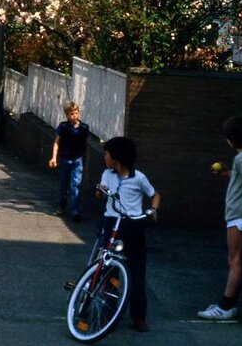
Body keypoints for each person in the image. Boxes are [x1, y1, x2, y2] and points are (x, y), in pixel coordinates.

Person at [198, 115, 242, 321]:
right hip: (241, 214)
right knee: (237, 260)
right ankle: (229, 303)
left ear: (231, 139)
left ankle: (226, 306)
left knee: (235, 261)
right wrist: (229, 174)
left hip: (239, 214)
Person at [96, 136, 161, 332]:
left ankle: (139, 316)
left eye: (106, 154)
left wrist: (154, 210)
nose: (104, 158)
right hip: (111, 223)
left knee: (137, 270)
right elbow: (99, 195)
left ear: (116, 158)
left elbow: (155, 195)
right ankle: (107, 313)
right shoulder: (107, 174)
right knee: (108, 269)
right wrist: (100, 190)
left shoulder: (138, 178)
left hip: (132, 225)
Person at [50, 101, 89, 222]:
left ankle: (75, 210)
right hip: (64, 159)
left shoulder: (84, 128)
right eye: (72, 114)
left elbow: (85, 145)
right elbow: (57, 142)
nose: (74, 116)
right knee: (64, 184)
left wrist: (84, 158)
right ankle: (62, 205)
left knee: (76, 185)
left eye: (76, 113)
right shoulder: (63, 127)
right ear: (67, 115)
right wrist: (53, 157)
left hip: (77, 159)